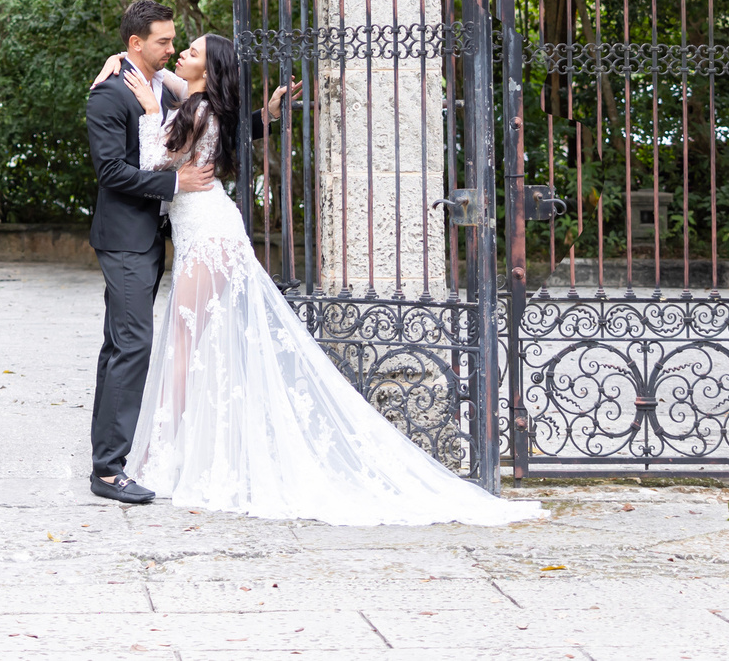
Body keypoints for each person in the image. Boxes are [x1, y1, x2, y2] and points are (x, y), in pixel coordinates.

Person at [112, 31, 541, 527]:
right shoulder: (203, 103)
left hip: (208, 237)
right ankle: (184, 450)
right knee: (200, 346)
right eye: (179, 48)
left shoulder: (196, 110)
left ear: (207, 71)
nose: (179, 55)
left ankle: (165, 457)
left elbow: (151, 163)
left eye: (190, 52)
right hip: (209, 232)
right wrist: (124, 61)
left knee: (184, 348)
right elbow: (170, 77)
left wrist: (150, 112)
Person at [84, 0, 210, 503]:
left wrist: (267, 116)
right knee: (133, 343)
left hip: (152, 236)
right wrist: (175, 184)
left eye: (174, 39)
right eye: (163, 41)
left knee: (119, 344)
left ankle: (105, 459)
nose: (172, 47)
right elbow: (111, 171)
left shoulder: (166, 87)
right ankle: (109, 471)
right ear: (135, 43)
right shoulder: (109, 94)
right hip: (124, 239)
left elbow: (209, 119)